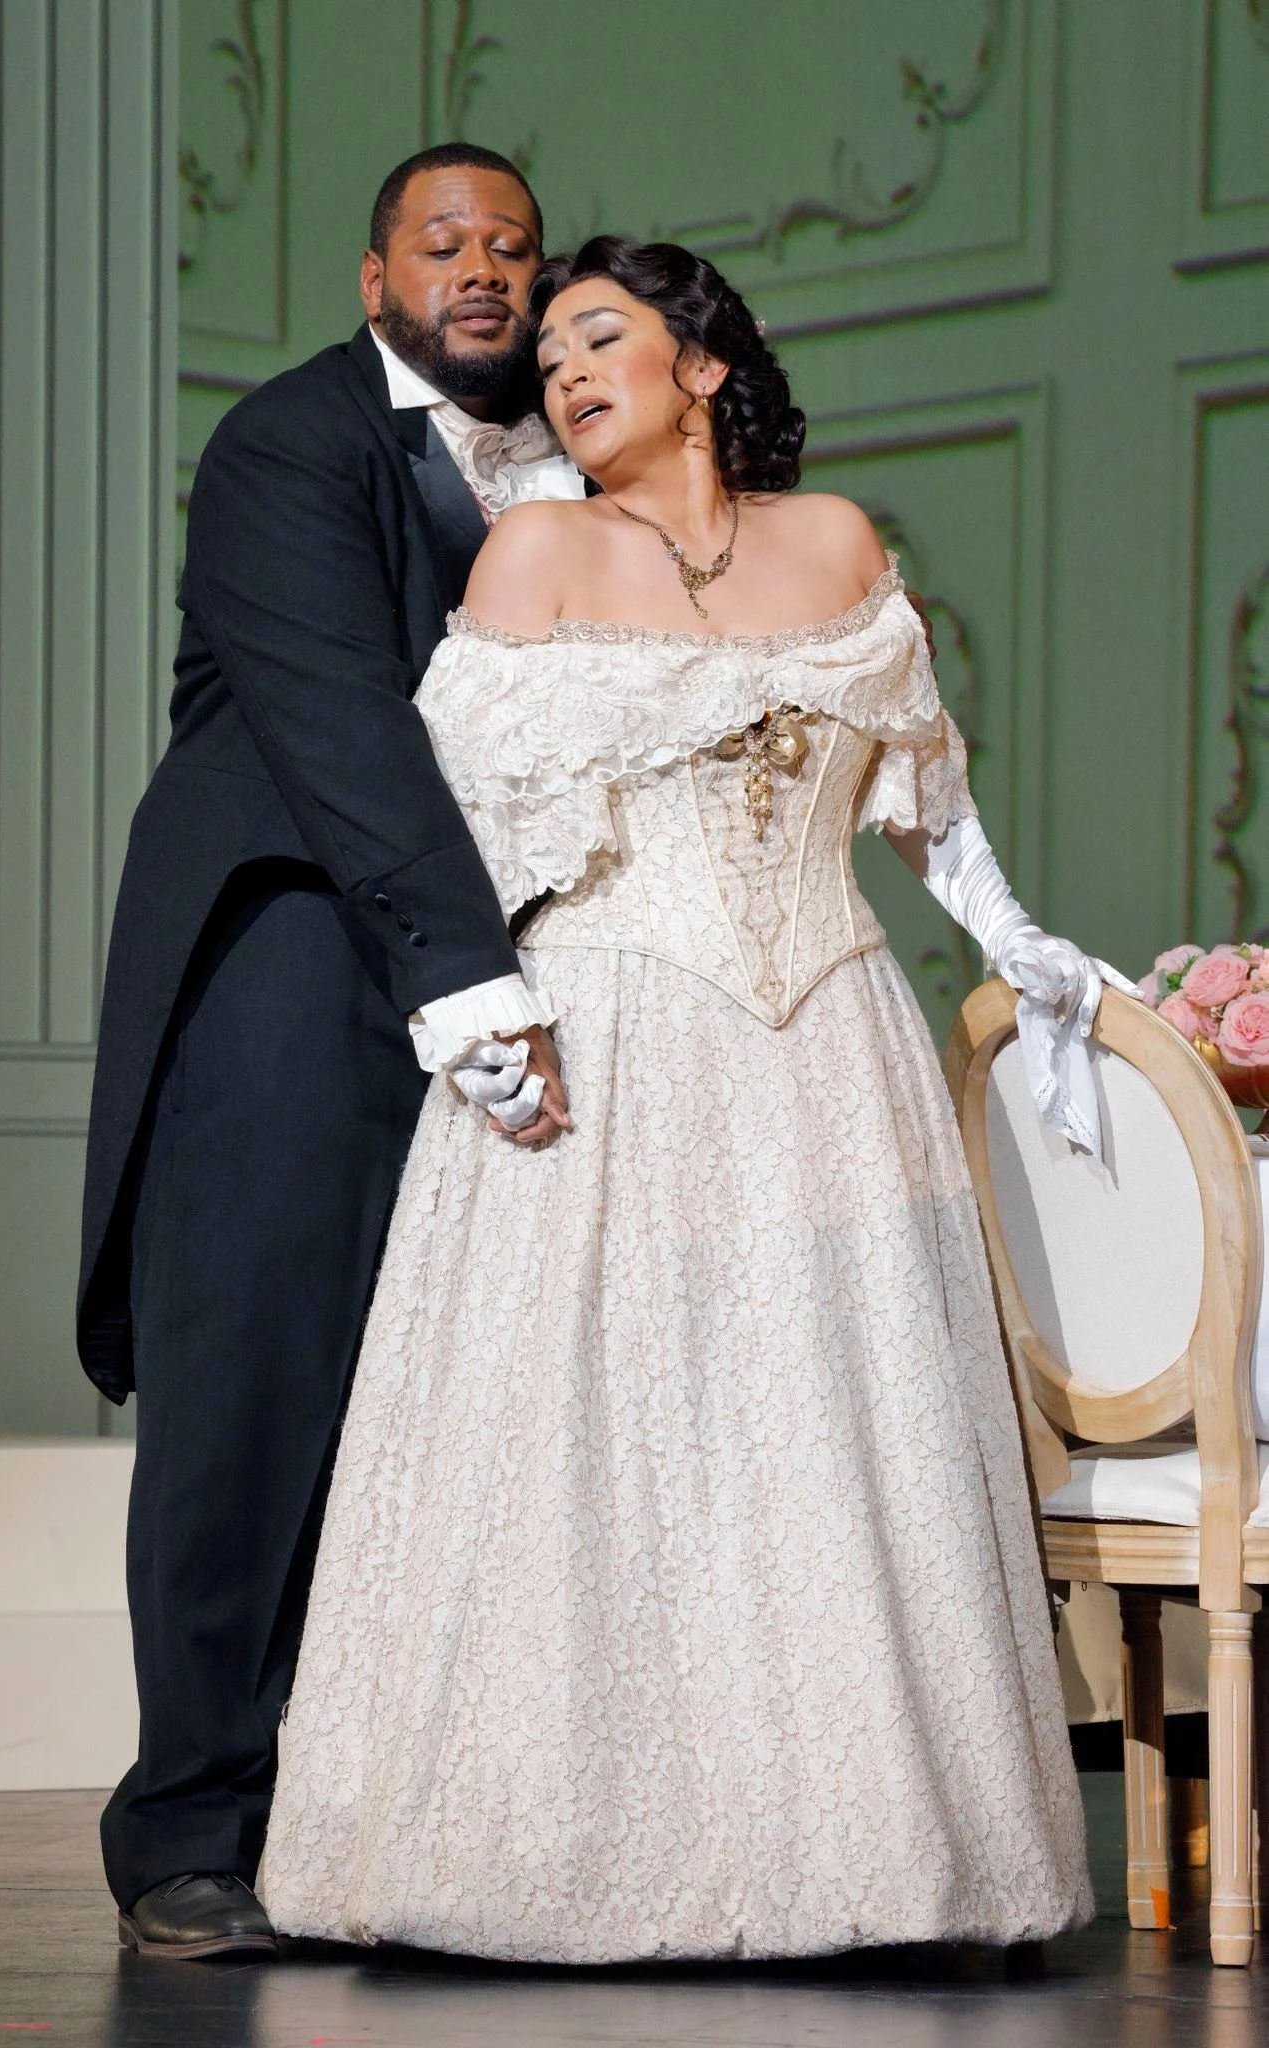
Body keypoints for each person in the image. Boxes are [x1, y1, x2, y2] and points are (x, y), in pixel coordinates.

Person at [259, 236, 1129, 1963]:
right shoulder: (537, 553)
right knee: (597, 1419)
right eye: (551, 359)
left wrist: (1015, 935)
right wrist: (466, 1015)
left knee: (823, 1426)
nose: (568, 371)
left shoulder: (837, 544)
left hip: (829, 1039)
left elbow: (921, 797)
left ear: (706, 364)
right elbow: (444, 839)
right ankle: (531, 1851)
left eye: (603, 337)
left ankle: (874, 1856)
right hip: (608, 1032)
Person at [79, 144, 582, 1960]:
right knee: (254, 1386)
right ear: (376, 279)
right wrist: (474, 987)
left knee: (459, 1405)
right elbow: (344, 731)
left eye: (510, 246)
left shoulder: (579, 453)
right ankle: (189, 1829)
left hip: (509, 962)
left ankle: (390, 1818)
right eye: (442, 244)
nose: (482, 270)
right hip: (294, 955)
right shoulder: (289, 444)